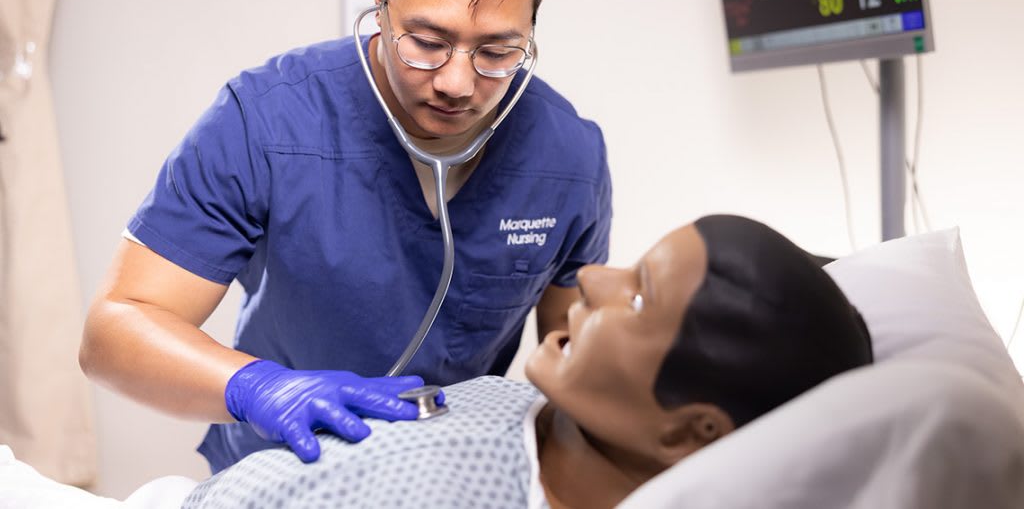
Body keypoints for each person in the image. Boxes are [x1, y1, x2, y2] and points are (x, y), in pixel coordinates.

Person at [79, 0, 611, 474]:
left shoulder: (569, 156)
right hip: (281, 468)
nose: (458, 83)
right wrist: (260, 389)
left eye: (497, 49)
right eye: (427, 42)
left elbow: (577, 368)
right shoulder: (265, 120)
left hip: (450, 476)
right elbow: (115, 331)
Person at [179, 214, 874, 509]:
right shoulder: (519, 406)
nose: (596, 278)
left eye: (639, 296)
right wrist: (252, 382)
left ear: (690, 429)